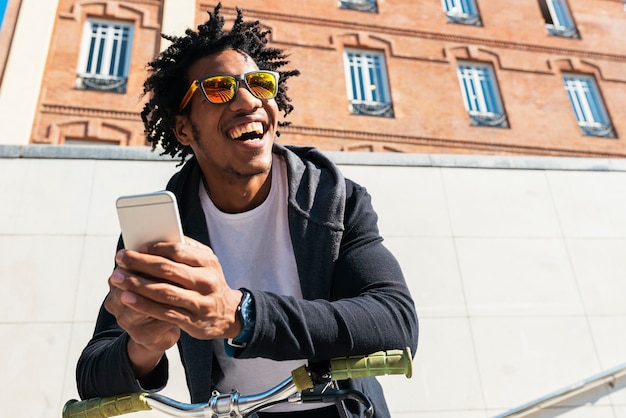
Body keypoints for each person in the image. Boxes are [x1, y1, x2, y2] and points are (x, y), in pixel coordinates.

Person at [76, 4, 418, 417]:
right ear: (183, 128)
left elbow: (395, 320)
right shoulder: (164, 230)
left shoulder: (335, 199)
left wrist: (241, 314)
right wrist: (142, 347)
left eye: (259, 84)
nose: (248, 100)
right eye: (219, 88)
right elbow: (91, 375)